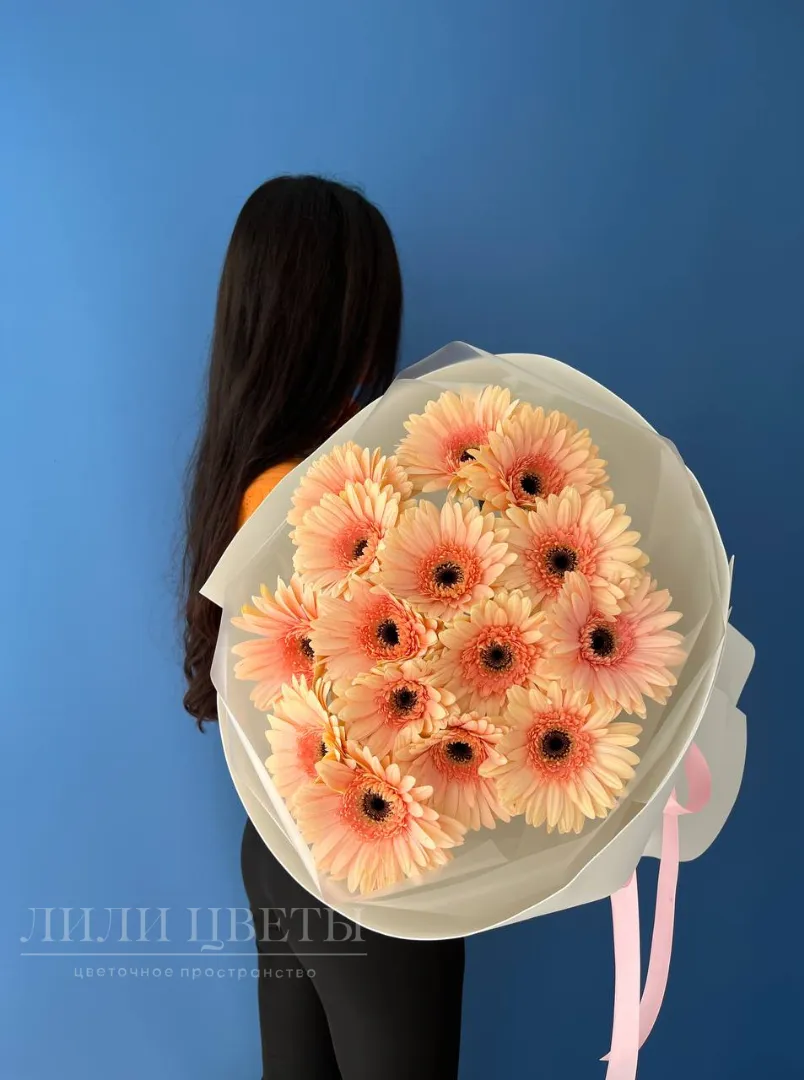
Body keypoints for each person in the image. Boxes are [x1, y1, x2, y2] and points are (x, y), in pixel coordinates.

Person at [181, 175, 465, 1079]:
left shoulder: (251, 474)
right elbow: (397, 696)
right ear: (339, 319)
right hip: (367, 857)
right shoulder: (331, 494)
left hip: (279, 847)